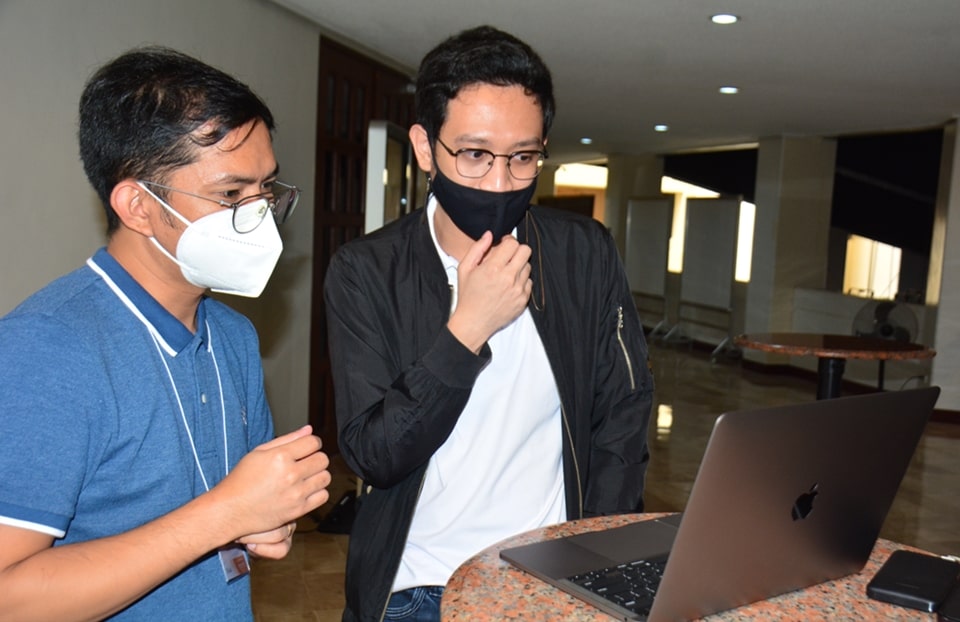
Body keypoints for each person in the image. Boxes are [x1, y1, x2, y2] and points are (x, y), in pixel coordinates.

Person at [325, 25, 654, 622]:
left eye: (523, 158)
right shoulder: (364, 271)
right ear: (426, 149)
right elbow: (374, 454)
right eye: (475, 155)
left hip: (555, 578)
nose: (500, 183)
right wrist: (466, 331)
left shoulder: (585, 251)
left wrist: (599, 563)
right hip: (420, 588)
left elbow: (622, 420)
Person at [0, 47, 332, 621]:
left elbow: (238, 511)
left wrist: (267, 518)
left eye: (267, 191)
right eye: (231, 195)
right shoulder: (46, 348)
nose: (260, 216)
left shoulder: (234, 334)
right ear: (138, 205)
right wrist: (227, 514)